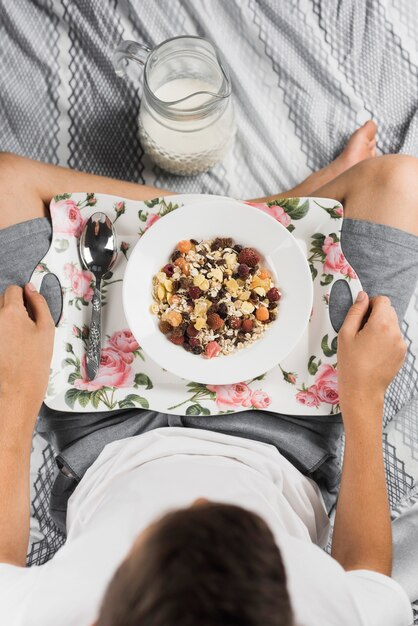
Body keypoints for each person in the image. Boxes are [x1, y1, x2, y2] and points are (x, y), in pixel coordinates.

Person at [0, 121, 416, 625]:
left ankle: (288, 207)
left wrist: (15, 390)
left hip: (103, 431)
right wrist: (365, 399)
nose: (198, 494)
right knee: (397, 184)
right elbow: (366, 574)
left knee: (6, 182)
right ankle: (290, 206)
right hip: (283, 437)